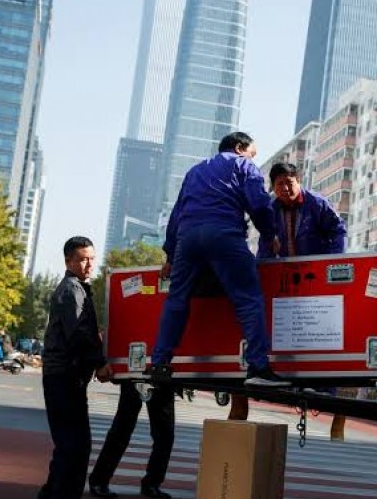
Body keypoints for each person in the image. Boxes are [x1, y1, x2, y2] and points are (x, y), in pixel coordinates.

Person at [148, 132, 289, 388]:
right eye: (252, 153)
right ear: (239, 147)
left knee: (177, 298)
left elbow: (177, 214)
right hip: (223, 233)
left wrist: (170, 254)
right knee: (248, 299)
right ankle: (258, 366)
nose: (252, 158)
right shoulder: (243, 164)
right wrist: (270, 236)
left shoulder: (194, 171)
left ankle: (159, 362)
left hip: (187, 240)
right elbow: (258, 204)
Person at [231, 162, 349, 435]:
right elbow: (264, 243)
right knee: (288, 329)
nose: (286, 188)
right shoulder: (270, 209)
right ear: (273, 187)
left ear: (299, 180)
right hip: (285, 278)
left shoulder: (317, 203)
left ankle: (327, 394)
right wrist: (263, 270)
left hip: (315, 277)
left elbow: (338, 232)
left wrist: (328, 266)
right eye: (280, 184)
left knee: (319, 332)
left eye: (290, 182)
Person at [36, 236, 112, 499]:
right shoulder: (71, 290)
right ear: (68, 261)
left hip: (65, 376)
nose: (89, 263)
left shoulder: (77, 289)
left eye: (92, 258)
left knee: (68, 442)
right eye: (82, 259)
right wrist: (101, 363)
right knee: (76, 445)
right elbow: (78, 334)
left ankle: (49, 496)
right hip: (64, 376)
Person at [87, 382, 174, 499]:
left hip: (160, 375)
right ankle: (100, 480)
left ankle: (152, 482)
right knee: (122, 429)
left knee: (164, 433)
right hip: (137, 372)